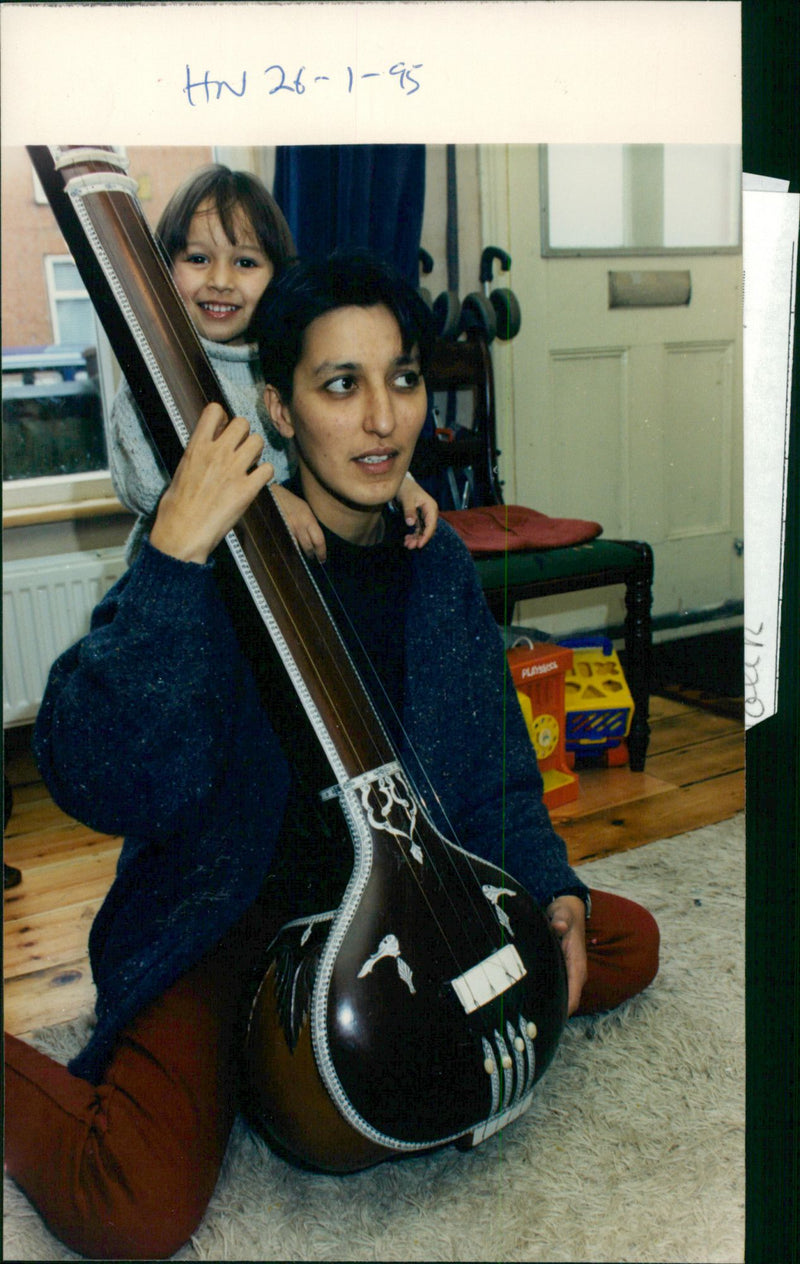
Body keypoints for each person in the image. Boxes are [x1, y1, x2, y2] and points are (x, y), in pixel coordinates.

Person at [5, 253, 659, 1260]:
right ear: (277, 404)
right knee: (128, 1204)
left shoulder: (431, 557)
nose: (382, 419)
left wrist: (549, 891)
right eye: (339, 385)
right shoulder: (208, 549)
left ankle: (312, 1064)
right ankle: (263, 1052)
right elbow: (100, 776)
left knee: (612, 940)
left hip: (401, 899)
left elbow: (491, 772)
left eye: (399, 378)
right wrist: (176, 555)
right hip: (234, 914)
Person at [108, 163, 438, 563]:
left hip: (278, 571)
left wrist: (400, 482)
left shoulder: (291, 364)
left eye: (245, 263)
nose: (221, 280)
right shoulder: (155, 373)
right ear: (164, 268)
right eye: (198, 259)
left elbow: (335, 447)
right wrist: (261, 501)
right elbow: (143, 486)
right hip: (194, 575)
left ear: (276, 275)